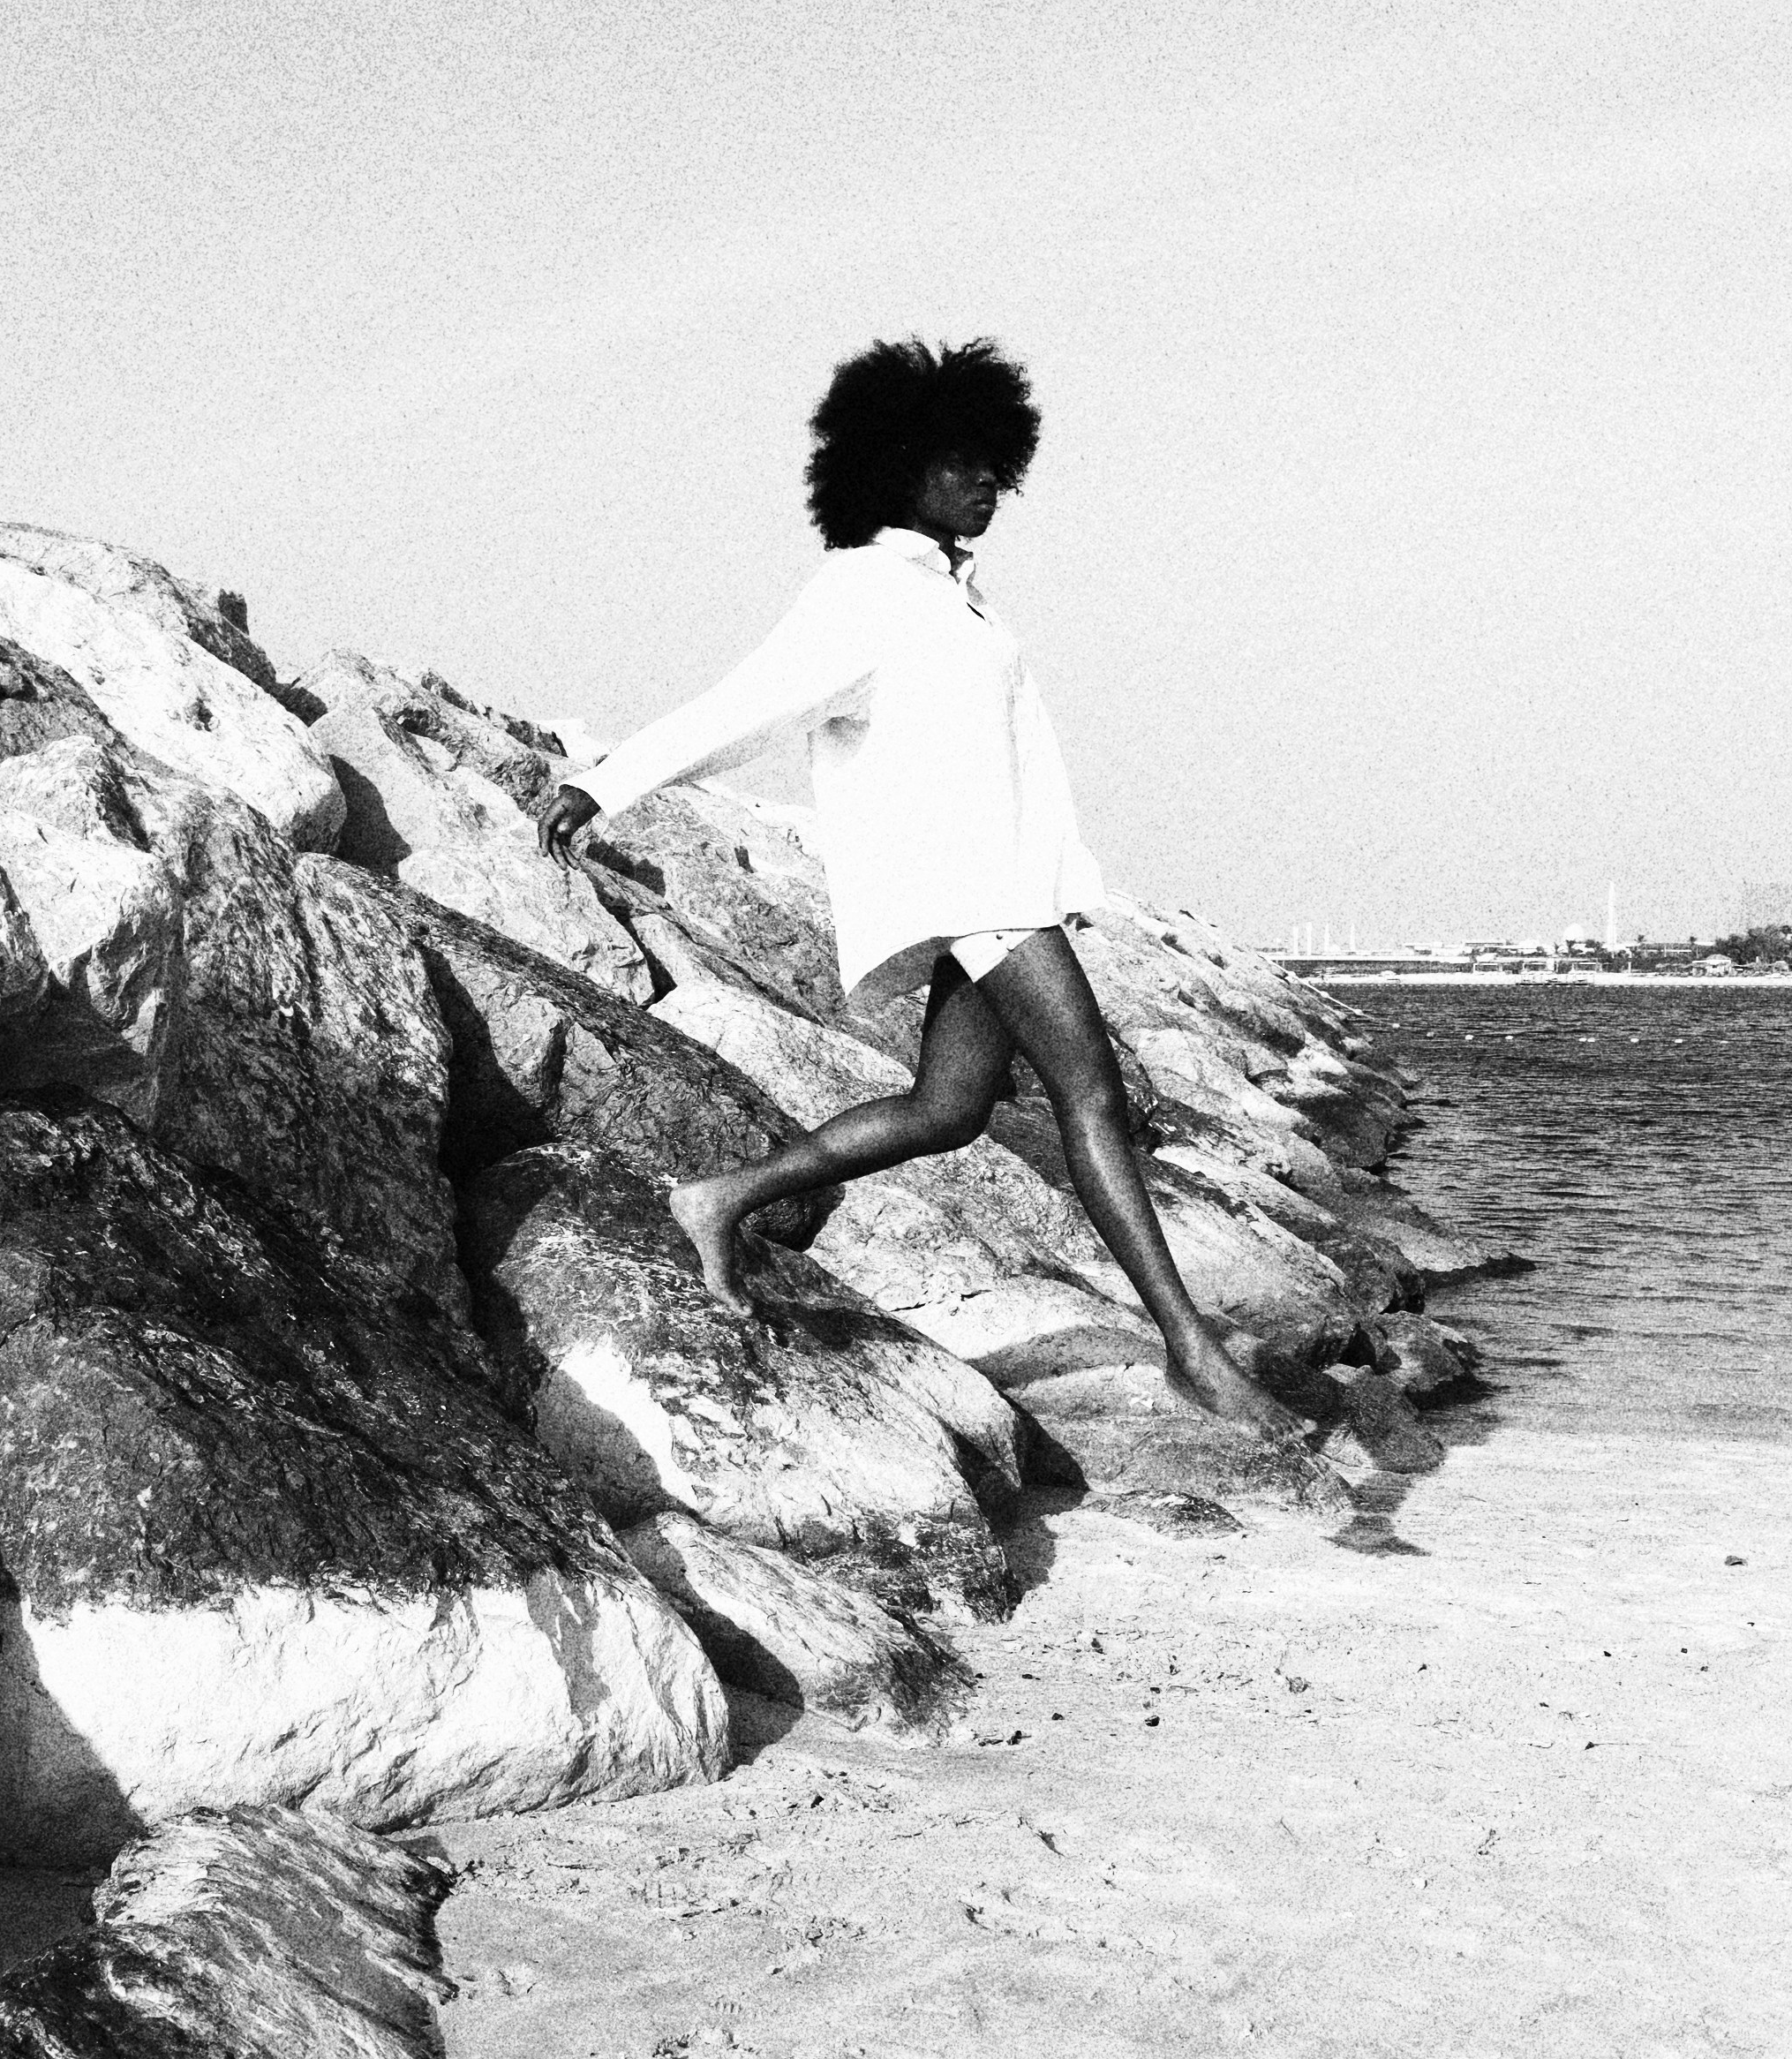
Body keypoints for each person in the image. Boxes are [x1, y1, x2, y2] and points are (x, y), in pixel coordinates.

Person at [536, 338, 1290, 1435]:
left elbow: (1012, 759)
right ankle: (1190, 1351)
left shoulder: (961, 598)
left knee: (948, 1111)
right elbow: (742, 705)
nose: (989, 480)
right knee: (1093, 1098)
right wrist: (603, 785)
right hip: (972, 891)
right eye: (960, 460)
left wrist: (1061, 879)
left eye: (997, 462)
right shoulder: (860, 591)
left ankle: (719, 1199)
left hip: (1005, 887)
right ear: (896, 468)